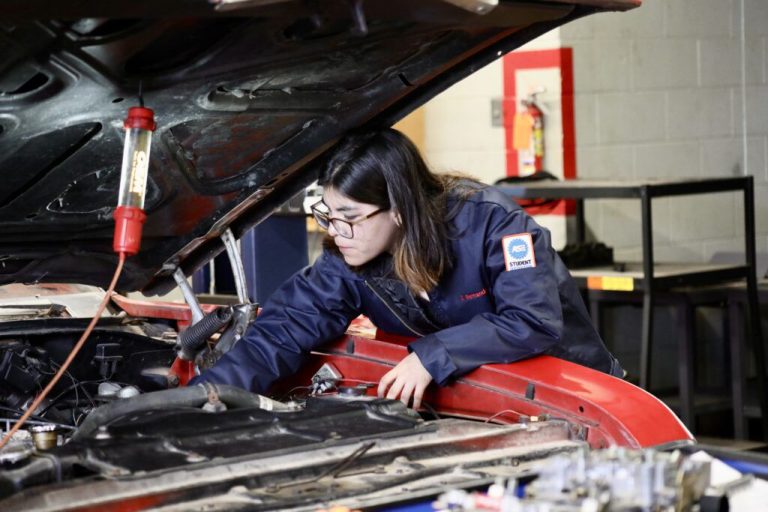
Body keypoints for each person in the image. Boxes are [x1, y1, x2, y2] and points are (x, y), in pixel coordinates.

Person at [190, 128, 623, 408]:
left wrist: (431, 357)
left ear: (397, 208)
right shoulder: (350, 257)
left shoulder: (495, 225)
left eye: (350, 215)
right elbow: (284, 330)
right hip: (483, 400)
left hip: (577, 396)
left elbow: (532, 320)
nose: (336, 230)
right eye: (327, 212)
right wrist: (204, 395)